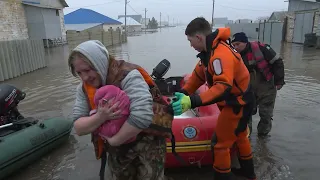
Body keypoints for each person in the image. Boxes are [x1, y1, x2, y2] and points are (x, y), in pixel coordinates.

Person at [68, 40, 171, 180]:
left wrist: (115, 140)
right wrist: (100, 116)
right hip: (118, 151)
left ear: (99, 63)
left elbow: (143, 115)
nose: (85, 77)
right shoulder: (83, 89)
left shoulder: (128, 75)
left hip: (147, 142)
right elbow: (79, 128)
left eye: (87, 70)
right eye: (79, 73)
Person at [171, 17, 256, 180]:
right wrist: (183, 92)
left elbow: (222, 87)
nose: (190, 45)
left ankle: (222, 176)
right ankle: (249, 174)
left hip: (237, 103)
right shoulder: (209, 52)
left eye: (190, 41)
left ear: (199, 37)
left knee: (220, 144)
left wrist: (192, 101)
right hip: (238, 101)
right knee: (239, 136)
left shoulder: (220, 55)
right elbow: (197, 77)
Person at [231, 32, 285, 136]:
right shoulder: (234, 55)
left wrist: (279, 81)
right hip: (248, 88)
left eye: (238, 44)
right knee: (246, 113)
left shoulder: (262, 49)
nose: (236, 47)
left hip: (266, 86)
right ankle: (247, 136)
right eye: (234, 45)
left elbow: (278, 62)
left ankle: (263, 138)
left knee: (265, 114)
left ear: (245, 42)